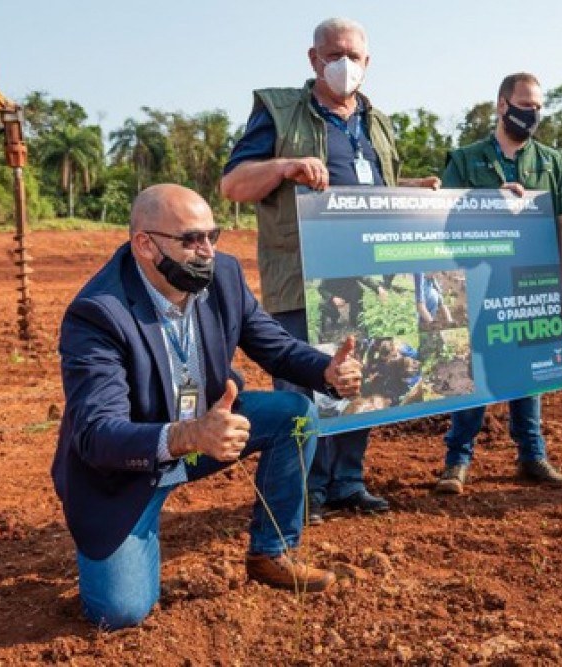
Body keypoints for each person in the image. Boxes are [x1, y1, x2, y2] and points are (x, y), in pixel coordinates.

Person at [51, 184, 364, 629]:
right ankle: (129, 530)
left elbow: (272, 344)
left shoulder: (224, 276)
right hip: (128, 467)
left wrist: (326, 371)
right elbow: (96, 432)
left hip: (203, 437)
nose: (207, 251)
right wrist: (187, 435)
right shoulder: (99, 313)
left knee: (295, 415)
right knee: (121, 613)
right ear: (145, 244)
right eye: (191, 240)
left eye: (211, 236)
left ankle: (271, 551)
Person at [220, 17, 439, 524]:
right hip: (302, 276)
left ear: (368, 62)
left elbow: (372, 191)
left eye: (354, 56)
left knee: (363, 379)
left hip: (370, 276)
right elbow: (233, 184)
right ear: (314, 58)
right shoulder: (279, 112)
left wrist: (414, 189)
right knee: (301, 386)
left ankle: (346, 482)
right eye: (333, 54)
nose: (345, 65)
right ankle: (302, 492)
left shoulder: (377, 121)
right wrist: (285, 167)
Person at [434, 72, 562, 495]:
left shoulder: (553, 161)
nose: (531, 114)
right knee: (472, 367)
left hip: (529, 283)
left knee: (529, 367)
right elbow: (446, 220)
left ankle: (532, 456)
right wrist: (487, 203)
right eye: (524, 104)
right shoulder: (466, 158)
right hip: (477, 281)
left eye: (537, 107)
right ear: (502, 105)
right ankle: (457, 460)